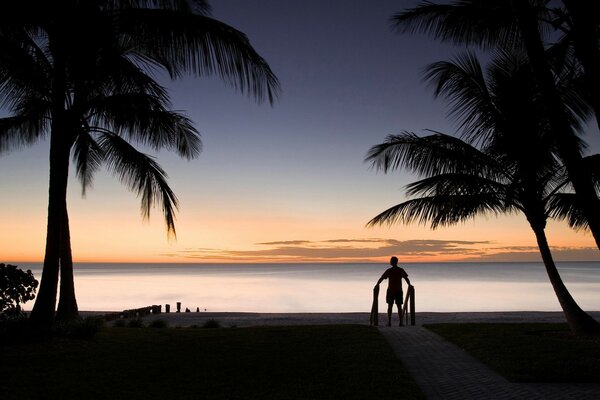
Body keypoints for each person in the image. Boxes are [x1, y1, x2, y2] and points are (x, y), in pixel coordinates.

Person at [375, 256, 411, 326]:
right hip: (396, 290)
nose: (390, 262)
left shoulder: (391, 270)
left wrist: (377, 284)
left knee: (392, 306)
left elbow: (382, 278)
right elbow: (406, 279)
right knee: (397, 307)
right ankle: (397, 322)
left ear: (393, 262)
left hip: (393, 290)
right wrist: (409, 284)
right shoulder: (398, 270)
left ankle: (391, 322)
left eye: (391, 260)